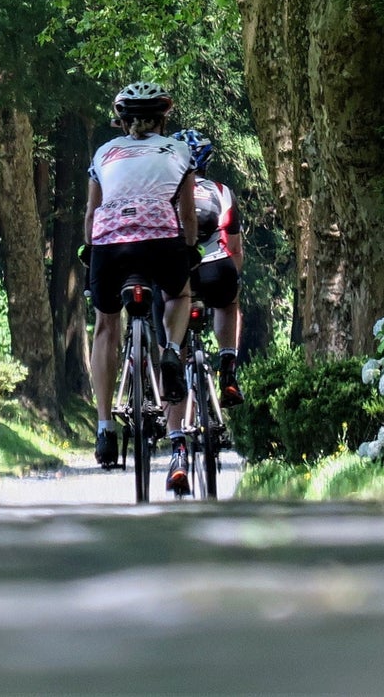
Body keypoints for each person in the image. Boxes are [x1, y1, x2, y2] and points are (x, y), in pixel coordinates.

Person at [85, 81, 198, 496]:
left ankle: (103, 427)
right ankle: (169, 350)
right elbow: (186, 217)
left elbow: (91, 211)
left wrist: (90, 250)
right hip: (160, 241)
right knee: (178, 295)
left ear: (121, 120)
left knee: (104, 325)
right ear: (163, 119)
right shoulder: (179, 152)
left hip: (110, 244)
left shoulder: (103, 153)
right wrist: (187, 253)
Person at [177, 129, 245, 408]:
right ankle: (227, 366)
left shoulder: (165, 190)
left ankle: (172, 375)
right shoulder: (221, 191)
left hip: (177, 270)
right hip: (216, 268)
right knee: (229, 302)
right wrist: (233, 279)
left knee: (168, 319)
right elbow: (235, 248)